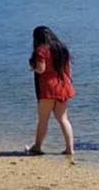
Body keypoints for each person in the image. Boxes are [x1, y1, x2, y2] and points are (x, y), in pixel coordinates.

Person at [26, 25, 75, 156]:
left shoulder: (41, 50)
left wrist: (32, 66)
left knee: (43, 120)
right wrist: (67, 82)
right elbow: (68, 69)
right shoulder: (62, 48)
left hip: (48, 88)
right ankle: (70, 149)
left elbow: (41, 69)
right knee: (63, 119)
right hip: (63, 85)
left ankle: (37, 146)